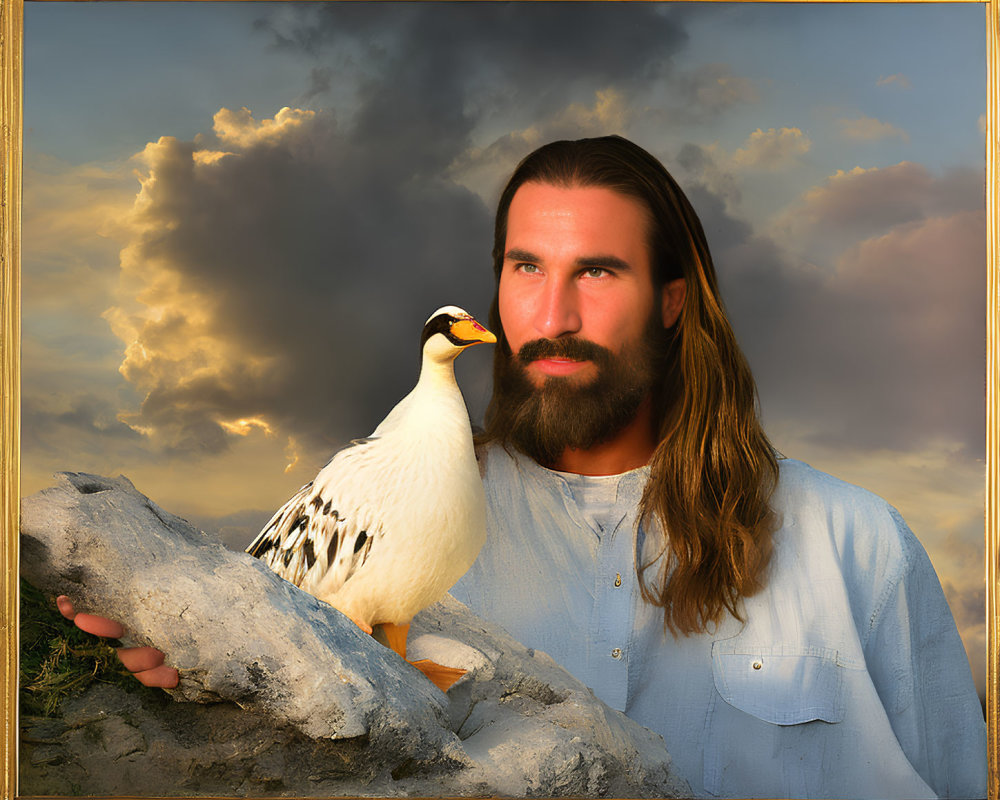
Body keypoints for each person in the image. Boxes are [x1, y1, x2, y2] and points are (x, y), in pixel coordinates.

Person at [60, 135, 987, 798]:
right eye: (525, 268)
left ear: (673, 300)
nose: (551, 316)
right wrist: (194, 673)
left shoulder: (855, 545)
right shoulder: (383, 519)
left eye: (597, 272)